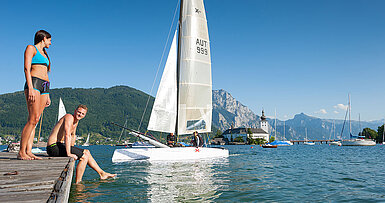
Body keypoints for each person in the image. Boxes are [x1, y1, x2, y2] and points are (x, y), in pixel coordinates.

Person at [46, 104, 116, 184]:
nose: (80, 114)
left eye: (83, 114)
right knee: (84, 157)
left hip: (59, 146)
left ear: (85, 115)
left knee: (87, 152)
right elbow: (67, 135)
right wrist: (69, 153)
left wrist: (73, 150)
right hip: (53, 147)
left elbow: (73, 136)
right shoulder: (69, 117)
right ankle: (78, 182)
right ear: (75, 111)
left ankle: (102, 173)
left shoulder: (76, 122)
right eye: (79, 112)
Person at [18, 30, 52, 160]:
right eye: (49, 39)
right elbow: (26, 68)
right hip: (34, 82)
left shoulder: (45, 54)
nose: (50, 42)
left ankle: (29, 151)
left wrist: (48, 94)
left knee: (36, 120)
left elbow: (47, 74)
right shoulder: (31, 48)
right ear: (43, 38)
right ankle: (21, 152)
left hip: (45, 86)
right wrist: (30, 87)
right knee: (32, 119)